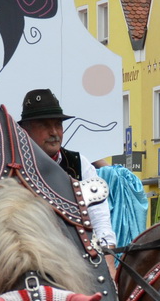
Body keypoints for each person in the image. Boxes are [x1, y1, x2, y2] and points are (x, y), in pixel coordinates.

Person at [17, 89, 116, 250]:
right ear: (25, 131)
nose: (54, 132)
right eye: (44, 125)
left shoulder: (79, 164)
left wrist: (108, 252)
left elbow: (99, 216)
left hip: (76, 256)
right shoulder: (12, 167)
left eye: (58, 124)